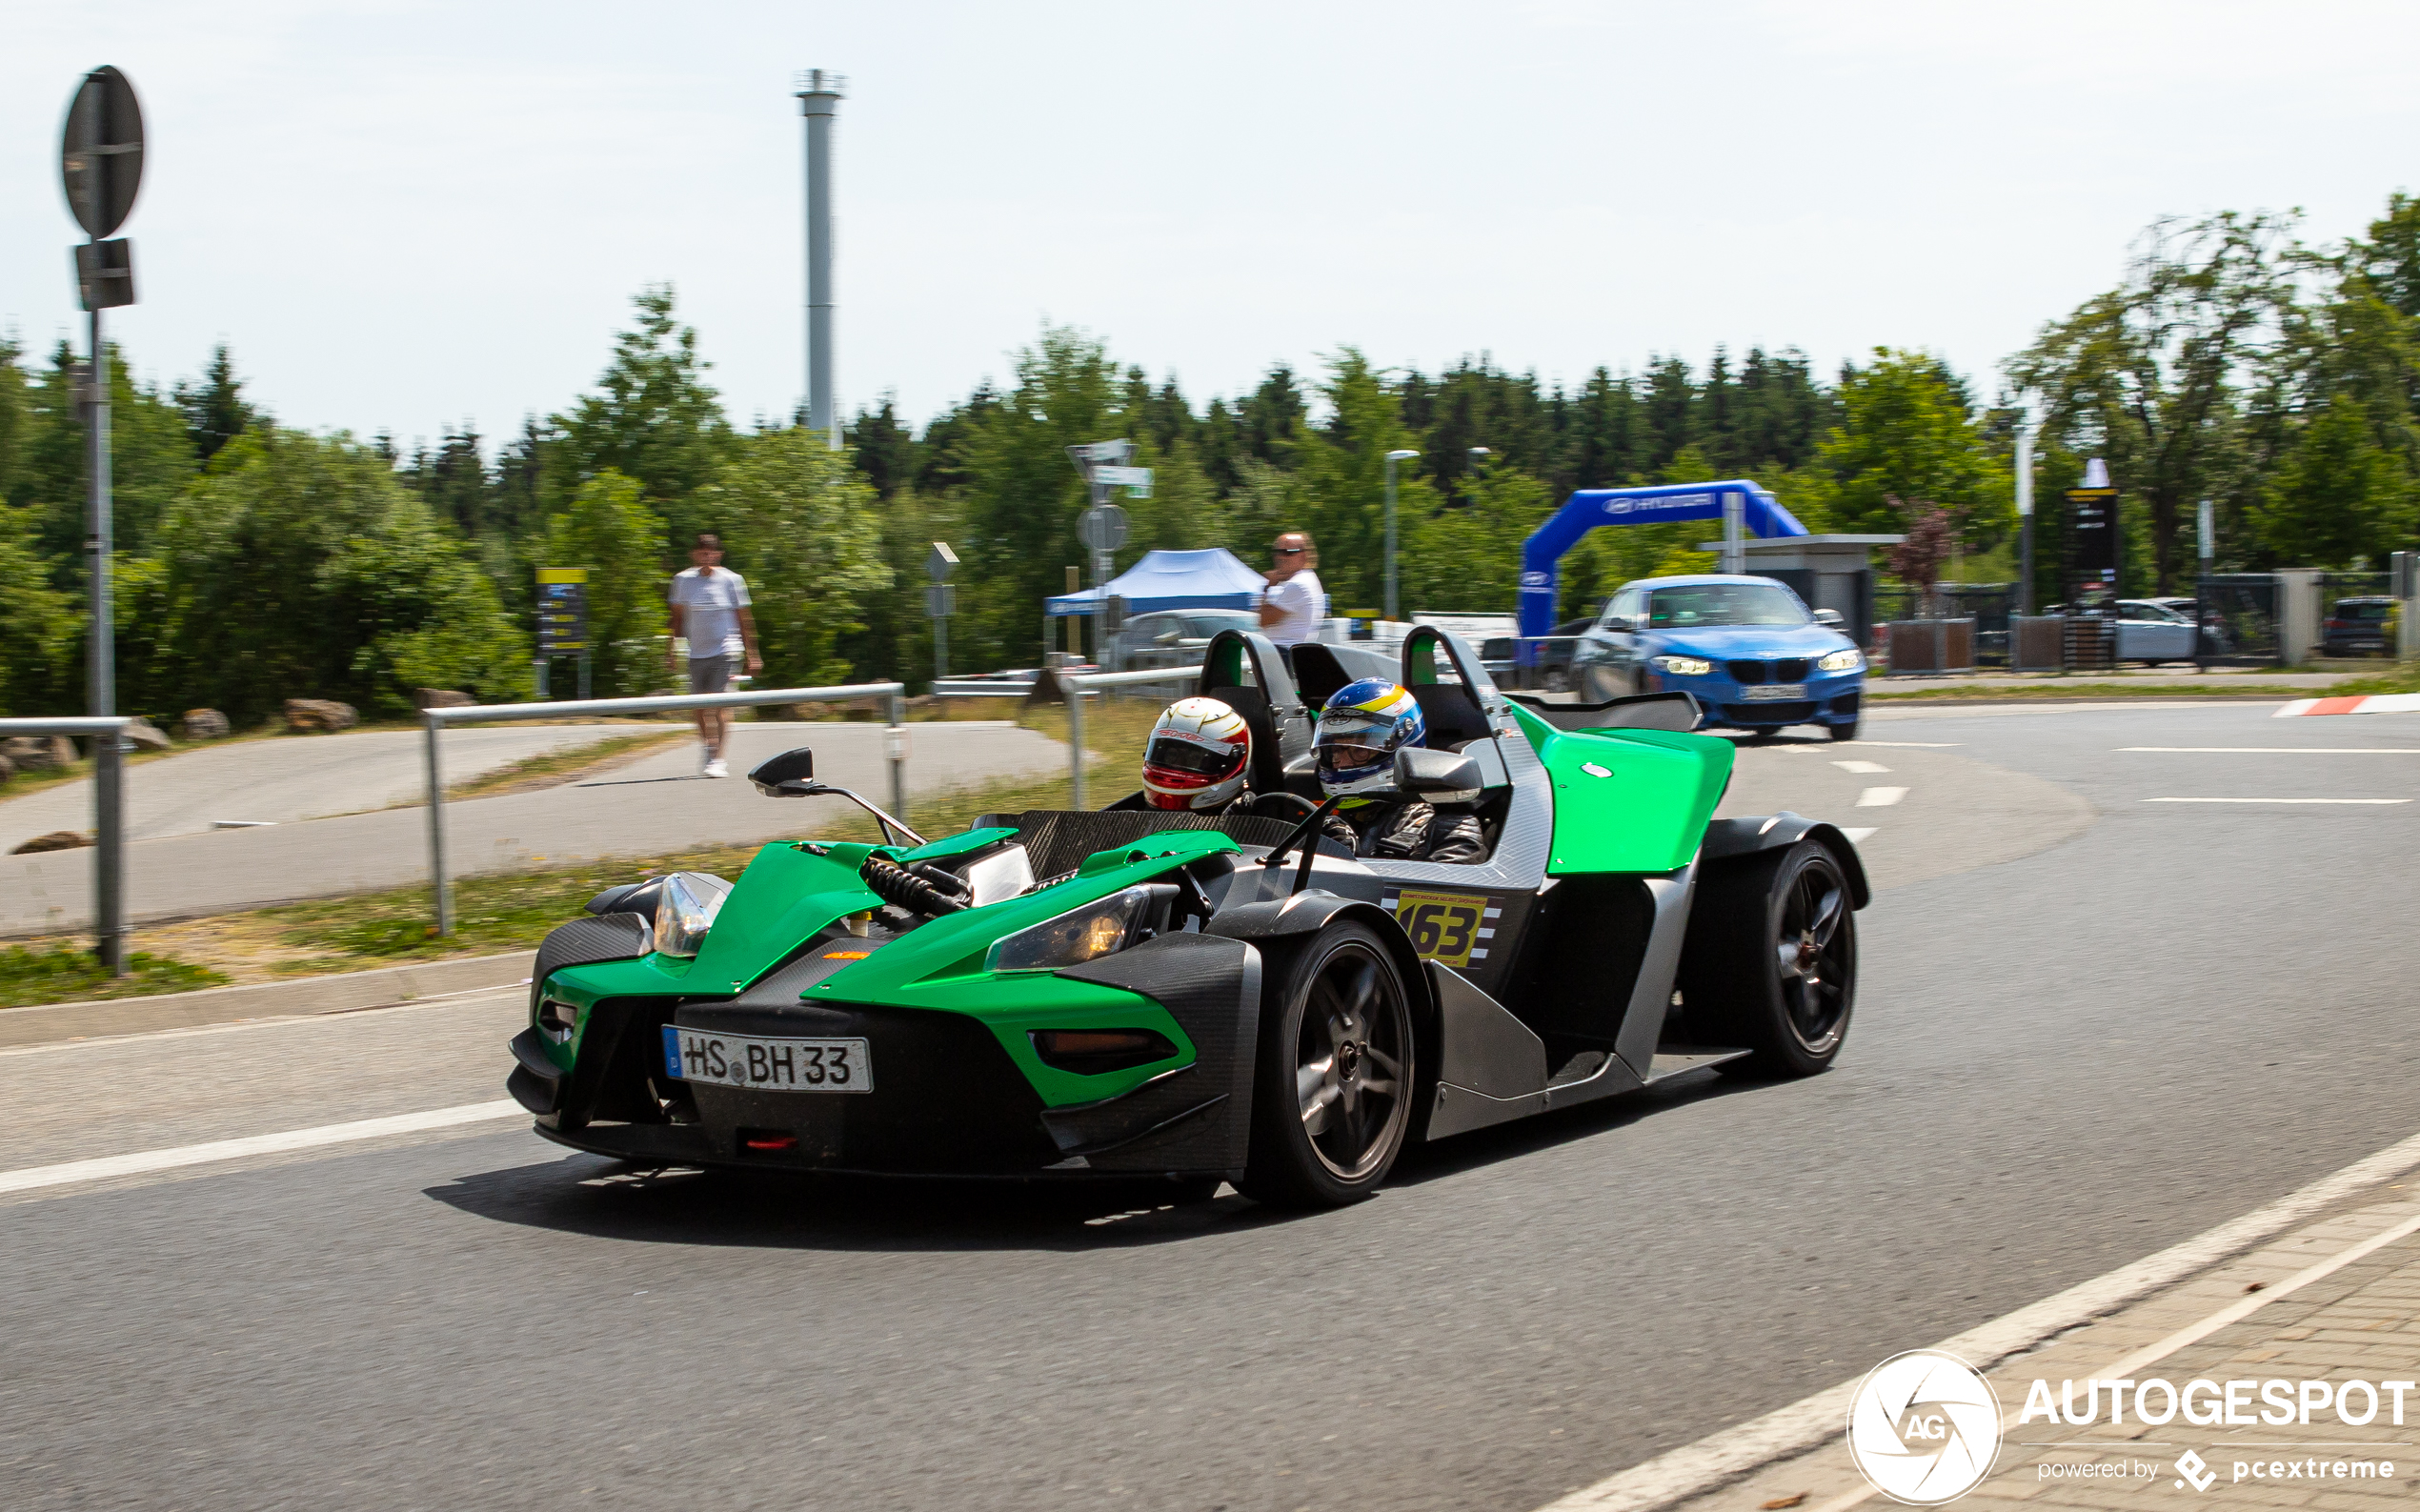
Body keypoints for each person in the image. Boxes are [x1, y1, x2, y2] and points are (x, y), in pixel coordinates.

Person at [1311, 678, 1486, 863]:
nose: (1342, 764)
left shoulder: (1449, 832)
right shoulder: (1326, 828)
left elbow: (1423, 892)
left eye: (1359, 750)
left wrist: (1353, 862)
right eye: (1336, 750)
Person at [666, 532, 762, 778]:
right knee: (698, 707)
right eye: (701, 552)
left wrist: (753, 654)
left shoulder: (731, 580)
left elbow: (744, 619)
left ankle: (718, 758)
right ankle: (709, 747)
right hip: (696, 651)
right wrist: (671, 649)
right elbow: (676, 618)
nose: (706, 556)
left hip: (726, 650)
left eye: (711, 552)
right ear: (694, 554)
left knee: (718, 703)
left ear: (718, 554)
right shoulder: (683, 580)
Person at [1139, 697, 1255, 812]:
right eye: (1171, 755)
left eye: (1194, 758)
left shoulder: (1251, 818)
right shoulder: (1133, 817)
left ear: (1231, 763)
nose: (1177, 765)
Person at [1257, 531, 1327, 648]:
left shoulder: (1297, 584)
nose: (1281, 557)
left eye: (1288, 552)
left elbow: (1263, 620)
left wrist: (1268, 587)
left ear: (1303, 556)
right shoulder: (1308, 578)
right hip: (1293, 650)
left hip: (1284, 651)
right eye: (1277, 552)